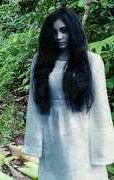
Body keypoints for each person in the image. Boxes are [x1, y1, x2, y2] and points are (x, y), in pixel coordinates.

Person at [22, 7, 114, 179]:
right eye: (54, 32)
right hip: (51, 134)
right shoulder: (40, 61)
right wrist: (34, 143)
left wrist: (104, 148)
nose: (59, 36)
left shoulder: (92, 62)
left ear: (73, 30)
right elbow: (34, 106)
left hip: (82, 135)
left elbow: (101, 109)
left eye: (63, 30)